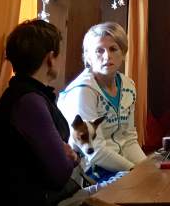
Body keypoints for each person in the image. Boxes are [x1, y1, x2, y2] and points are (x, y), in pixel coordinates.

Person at [0, 19, 93, 206]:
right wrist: (69, 157)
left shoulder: (25, 96)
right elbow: (60, 173)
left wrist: (65, 154)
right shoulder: (29, 102)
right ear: (50, 58)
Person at [59, 22, 146, 178]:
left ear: (123, 53)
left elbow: (128, 139)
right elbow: (94, 151)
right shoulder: (83, 91)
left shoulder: (128, 85)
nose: (107, 56)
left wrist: (146, 169)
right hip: (88, 170)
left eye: (113, 49)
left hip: (121, 166)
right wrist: (135, 172)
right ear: (88, 57)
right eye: (99, 51)